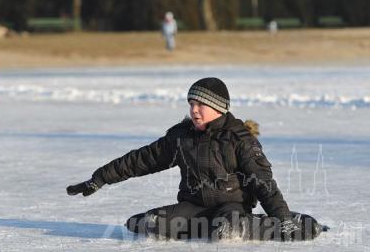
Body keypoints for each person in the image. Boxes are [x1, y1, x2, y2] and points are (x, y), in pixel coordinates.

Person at [67, 77, 324, 241]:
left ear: (218, 107)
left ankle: (257, 224)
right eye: (191, 104)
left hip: (231, 205)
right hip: (193, 207)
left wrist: (282, 216)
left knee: (226, 230)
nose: (194, 110)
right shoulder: (182, 137)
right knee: (143, 224)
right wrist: (99, 178)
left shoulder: (238, 139)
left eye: (200, 104)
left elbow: (263, 182)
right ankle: (214, 226)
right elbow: (142, 159)